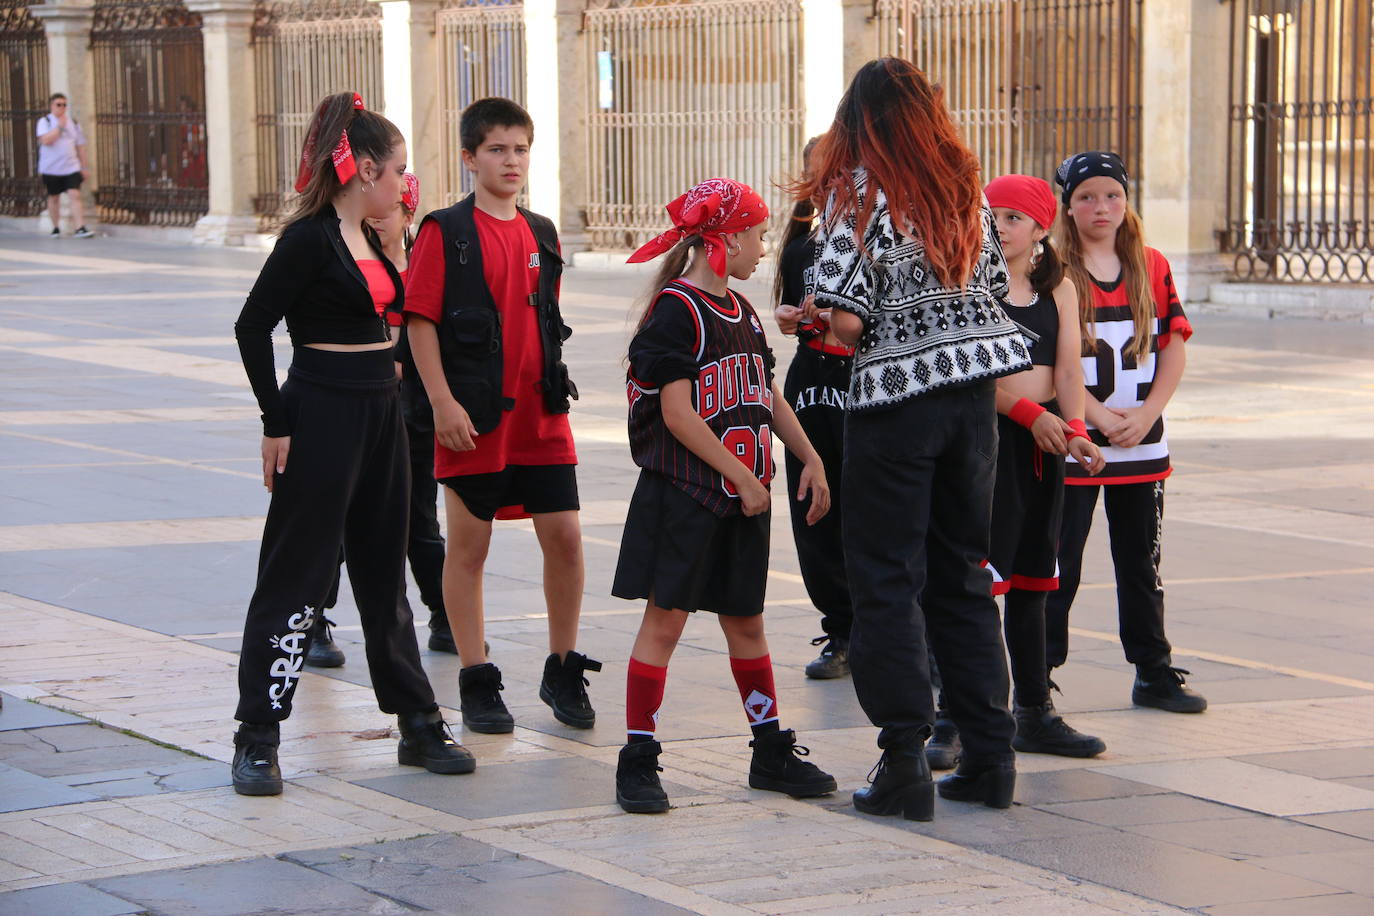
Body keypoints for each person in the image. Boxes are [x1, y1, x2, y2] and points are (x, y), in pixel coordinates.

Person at [804, 58, 1032, 820]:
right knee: (963, 572)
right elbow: (993, 288)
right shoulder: (963, 192)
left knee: (885, 577)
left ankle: (904, 758)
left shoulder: (858, 195)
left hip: (896, 404)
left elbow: (844, 320)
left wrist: (812, 317)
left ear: (861, 121)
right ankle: (990, 758)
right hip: (973, 400)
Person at [230, 92, 473, 796]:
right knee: (296, 576)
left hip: (380, 413)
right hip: (322, 410)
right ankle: (257, 734)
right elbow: (252, 327)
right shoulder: (308, 240)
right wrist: (277, 420)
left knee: (382, 571)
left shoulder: (374, 235)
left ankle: (417, 720)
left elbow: (391, 326)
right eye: (396, 169)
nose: (404, 182)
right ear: (364, 169)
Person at [611, 177, 837, 814]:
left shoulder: (741, 310)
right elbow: (679, 414)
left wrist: (809, 455)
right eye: (759, 235)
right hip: (686, 495)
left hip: (743, 498)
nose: (765, 247)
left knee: (746, 620)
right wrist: (740, 476)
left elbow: (764, 394)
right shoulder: (677, 310)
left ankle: (768, 749)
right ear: (729, 237)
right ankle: (637, 754)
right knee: (666, 620)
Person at [404, 98, 596, 736]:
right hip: (473, 416)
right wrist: (441, 403)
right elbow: (420, 320)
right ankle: (476, 676)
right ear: (469, 157)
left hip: (539, 413)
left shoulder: (543, 231)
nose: (511, 161)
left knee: (565, 537)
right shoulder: (445, 231)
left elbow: (545, 320)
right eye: (497, 149)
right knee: (469, 547)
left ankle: (563, 664)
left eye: (520, 149)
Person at [926, 175, 1108, 766]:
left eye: (1011, 218)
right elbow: (970, 372)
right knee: (972, 582)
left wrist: (1075, 430)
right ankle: (952, 717)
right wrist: (1030, 414)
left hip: (1043, 447)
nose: (999, 228)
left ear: (1039, 228)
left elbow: (1069, 372)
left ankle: (1034, 710)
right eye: (992, 216)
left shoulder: (1059, 288)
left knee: (1034, 580)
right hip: (987, 441)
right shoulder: (971, 284)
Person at [1045, 151, 1206, 714]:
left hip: (1143, 443)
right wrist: (1094, 414)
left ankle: (1152, 670)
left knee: (1141, 563)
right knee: (1059, 565)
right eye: (1087, 196)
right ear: (1066, 204)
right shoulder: (1054, 271)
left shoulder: (1151, 265)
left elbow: (1174, 347)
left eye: (1112, 195)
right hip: (1078, 444)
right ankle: (1039, 678)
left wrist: (1147, 412)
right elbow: (1050, 361)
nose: (1101, 207)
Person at [303, 173, 459, 669]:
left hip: (410, 416)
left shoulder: (426, 269)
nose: (374, 224)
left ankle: (443, 614)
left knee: (419, 522)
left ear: (407, 213)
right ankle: (314, 621)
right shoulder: (351, 265)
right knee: (338, 520)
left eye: (384, 215)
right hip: (355, 412)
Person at [773, 137, 855, 681]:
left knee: (863, 502)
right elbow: (788, 305)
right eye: (817, 173)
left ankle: (885, 627)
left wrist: (837, 320)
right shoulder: (804, 237)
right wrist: (790, 317)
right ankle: (841, 627)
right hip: (811, 377)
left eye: (838, 171)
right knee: (812, 502)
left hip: (861, 375)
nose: (827, 183)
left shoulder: (877, 236)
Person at [36, 93, 93, 239]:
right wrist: (60, 128)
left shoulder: (73, 123)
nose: (62, 108)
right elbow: (46, 140)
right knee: (54, 197)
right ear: (51, 106)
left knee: (75, 194)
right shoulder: (45, 122)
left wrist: (84, 167)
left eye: (64, 105)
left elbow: (80, 146)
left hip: (71, 166)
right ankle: (55, 227)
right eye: (58, 104)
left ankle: (80, 227)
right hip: (51, 168)